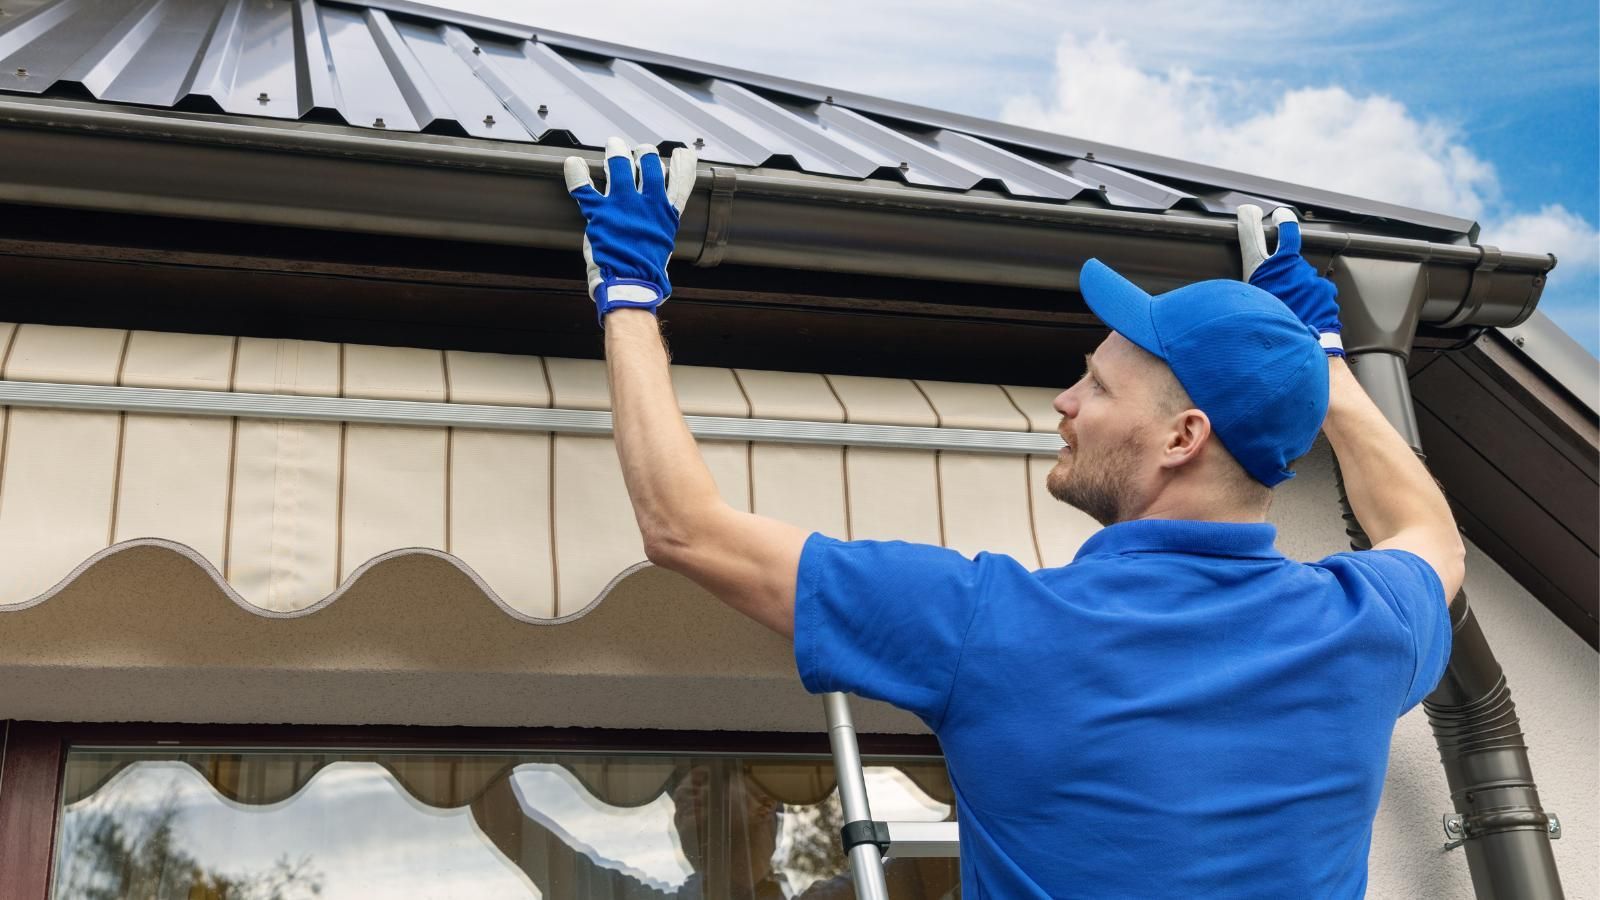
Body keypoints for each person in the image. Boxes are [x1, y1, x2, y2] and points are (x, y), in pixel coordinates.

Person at [561, 138, 1461, 898]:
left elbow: (683, 526)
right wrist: (1321, 369)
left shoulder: (995, 629)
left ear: (1184, 436)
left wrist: (630, 294)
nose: (1066, 401)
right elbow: (1429, 532)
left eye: (1099, 386)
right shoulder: (1362, 627)